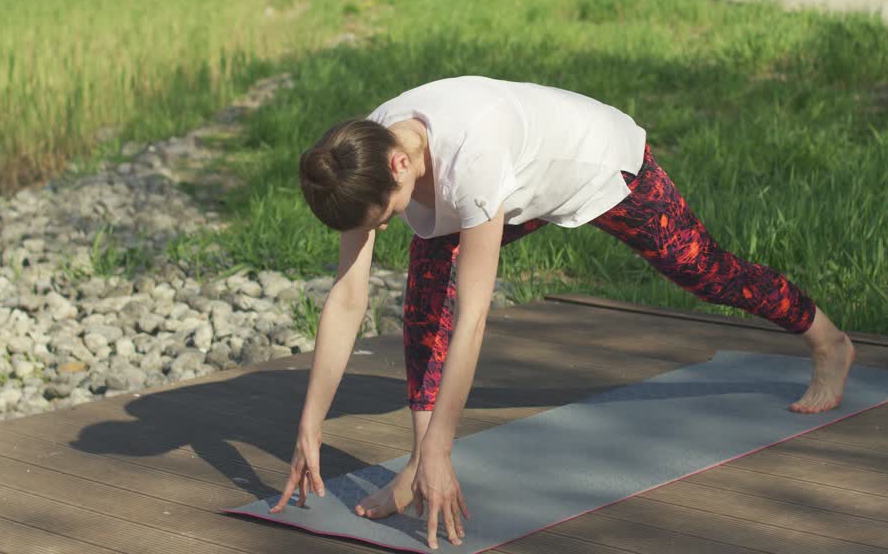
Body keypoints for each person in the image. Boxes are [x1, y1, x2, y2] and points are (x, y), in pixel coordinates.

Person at [272, 76, 855, 549]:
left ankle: (828, 341)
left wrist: (446, 451)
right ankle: (416, 469)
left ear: (400, 167)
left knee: (704, 270)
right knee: (426, 291)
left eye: (383, 217)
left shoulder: (469, 160)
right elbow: (348, 295)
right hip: (515, 180)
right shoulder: (363, 151)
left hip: (599, 164)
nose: (383, 227)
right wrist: (310, 424)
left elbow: (474, 317)